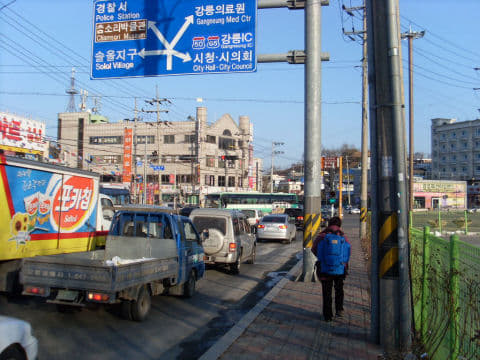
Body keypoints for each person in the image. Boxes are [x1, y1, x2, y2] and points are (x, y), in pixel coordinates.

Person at [311, 216, 351, 322]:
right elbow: (347, 251)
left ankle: (327, 316)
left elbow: (314, 249)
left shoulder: (322, 236)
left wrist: (323, 259)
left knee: (327, 291)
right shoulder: (342, 236)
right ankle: (339, 310)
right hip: (340, 268)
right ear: (339, 225)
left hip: (325, 268)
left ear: (329, 224)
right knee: (339, 289)